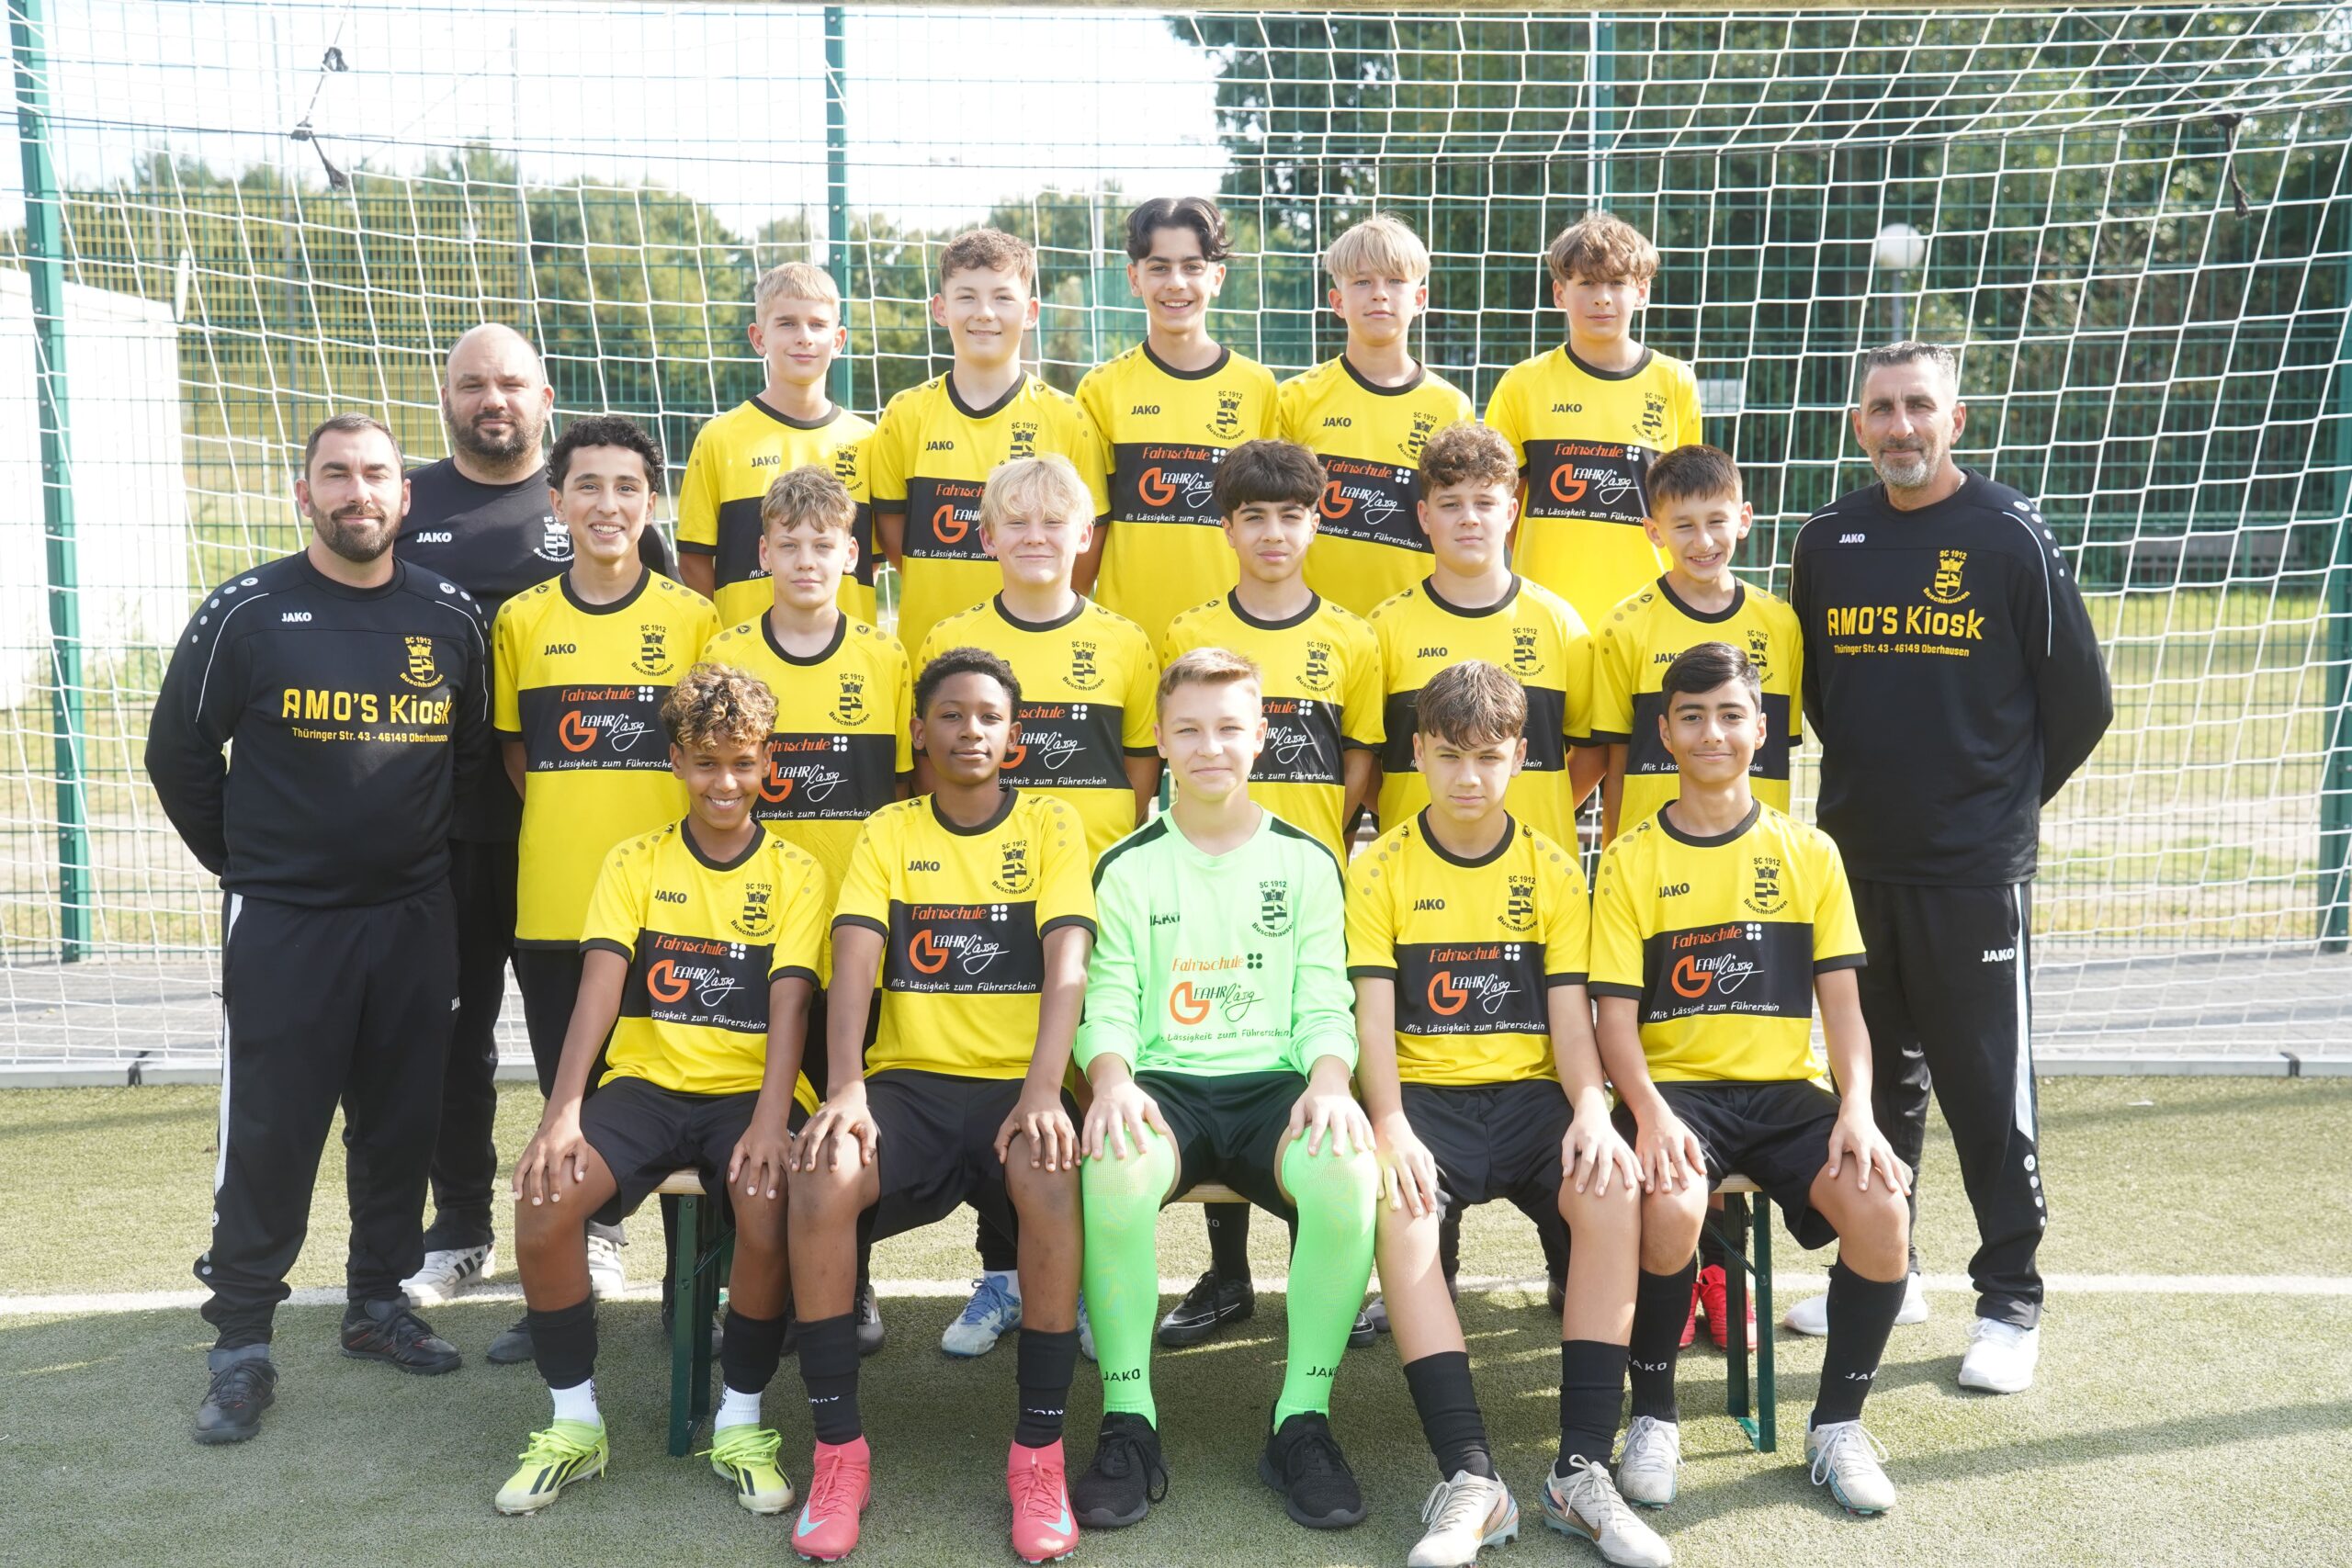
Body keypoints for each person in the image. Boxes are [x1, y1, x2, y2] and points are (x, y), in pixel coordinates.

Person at [146, 413, 491, 1444]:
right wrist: (256, 868)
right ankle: (242, 1342)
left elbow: (469, 764)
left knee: (398, 1124)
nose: (357, 493)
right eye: (335, 475)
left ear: (405, 495)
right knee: (272, 1131)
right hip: (287, 922)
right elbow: (178, 758)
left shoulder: (451, 616)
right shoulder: (246, 613)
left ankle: (377, 1305)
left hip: (413, 920)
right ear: (305, 494)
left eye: (375, 474)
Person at [1782, 342, 2111, 1394]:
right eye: (1880, 410)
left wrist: (1993, 805)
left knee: (1983, 1089)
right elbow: (1824, 700)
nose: (1900, 427)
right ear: (1857, 426)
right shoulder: (1826, 540)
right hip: (1855, 865)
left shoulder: (2008, 533)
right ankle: (1890, 1262)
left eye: (1918, 405)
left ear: (1955, 419)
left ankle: (2010, 1301)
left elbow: (2081, 703)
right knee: (1870, 1086)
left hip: (1974, 872)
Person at [1349, 660, 1668, 1568]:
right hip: (1425, 1102)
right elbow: (1372, 1015)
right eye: (1448, 755)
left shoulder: (1551, 867)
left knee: (1609, 1192)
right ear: (1416, 752)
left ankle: (1579, 1472)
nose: (1467, 777)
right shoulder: (1380, 869)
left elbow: (1572, 1020)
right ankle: (1470, 1482)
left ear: (1519, 756)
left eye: (1488, 757)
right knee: (1402, 1212)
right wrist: (1390, 1123)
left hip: (1533, 1098)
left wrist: (1592, 1112)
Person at [492, 664, 828, 1517]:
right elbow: (598, 991)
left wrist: (766, 1118)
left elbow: (790, 1002)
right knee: (542, 1198)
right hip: (644, 1088)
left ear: (766, 762)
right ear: (676, 761)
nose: (726, 782)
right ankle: (575, 1423)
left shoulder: (796, 871)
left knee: (766, 1194)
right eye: (707, 762)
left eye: (744, 763)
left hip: (749, 1091)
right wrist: (561, 1111)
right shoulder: (634, 860)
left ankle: (742, 1420)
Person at [1590, 641, 1913, 1517]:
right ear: (1664, 732)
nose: (1712, 733)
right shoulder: (1627, 859)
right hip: (1675, 1093)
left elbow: (1843, 1008)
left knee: (1884, 1206)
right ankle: (1651, 1412)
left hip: (1785, 1094)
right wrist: (1649, 1114)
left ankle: (1837, 1424)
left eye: (1731, 714)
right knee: (1672, 1202)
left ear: (1761, 730)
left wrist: (1859, 1111)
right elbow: (1613, 1021)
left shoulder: (1809, 852)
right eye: (1691, 717)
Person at [787, 648, 1094, 1564]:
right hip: (910, 1086)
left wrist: (1045, 1089)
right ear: (918, 732)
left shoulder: (1052, 825)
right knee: (820, 1175)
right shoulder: (888, 830)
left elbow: (1067, 967)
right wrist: (846, 1086)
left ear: (1015, 735)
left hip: (1014, 1083)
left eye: (988, 716)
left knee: (1047, 1173)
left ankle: (1037, 1456)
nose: (969, 730)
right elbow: (851, 969)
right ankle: (837, 1453)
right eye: (950, 715)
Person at [395, 324, 673, 1310]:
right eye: (471, 383)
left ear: (544, 395)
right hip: (446, 829)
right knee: (448, 1029)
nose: (492, 399)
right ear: (447, 395)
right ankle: (461, 1224)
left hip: (578, 829)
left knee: (599, 1035)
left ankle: (603, 1223)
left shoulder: (601, 497)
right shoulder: (407, 502)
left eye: (510, 382)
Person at [1071, 649, 1379, 1536]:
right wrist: (1112, 1080)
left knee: (1348, 1173)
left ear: (1262, 737)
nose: (1211, 747)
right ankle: (1130, 1421)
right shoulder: (1128, 865)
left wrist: (1330, 1079)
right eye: (1190, 730)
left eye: (1230, 728)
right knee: (1114, 1167)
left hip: (1276, 1086)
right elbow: (1112, 1000)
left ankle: (1301, 1422)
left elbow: (1327, 994)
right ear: (1161, 741)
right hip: (1165, 1084)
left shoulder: (1309, 860)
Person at [482, 414, 719, 1358]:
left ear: (649, 503)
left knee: (673, 1092)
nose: (606, 504)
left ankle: (686, 1293)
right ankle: (564, 1293)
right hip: (557, 907)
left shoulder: (692, 621)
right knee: (568, 1102)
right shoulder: (522, 620)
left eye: (626, 487)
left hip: (674, 911)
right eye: (587, 486)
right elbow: (515, 754)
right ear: (556, 503)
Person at [915, 453, 1157, 1354]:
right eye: (1014, 521)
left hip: (1091, 906)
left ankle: (1085, 1282)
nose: (1035, 536)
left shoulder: (1127, 643)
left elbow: (1138, 782)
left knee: (1083, 1089)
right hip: (983, 900)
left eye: (1055, 522)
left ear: (1085, 538)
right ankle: (1004, 1276)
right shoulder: (949, 635)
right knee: (999, 1087)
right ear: (984, 536)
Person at [1156, 437, 1380, 1349]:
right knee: (1220, 1057)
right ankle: (1225, 1273)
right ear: (1227, 527)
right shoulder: (1188, 631)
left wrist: (1318, 846)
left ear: (1316, 521)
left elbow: (1359, 760)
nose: (1273, 532)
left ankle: (1321, 1280)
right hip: (1209, 886)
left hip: (1308, 887)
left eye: (1290, 514)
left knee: (1308, 1063)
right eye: (1253, 516)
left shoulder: (1351, 638)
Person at [1591, 443, 1803, 1354]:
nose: (1703, 538)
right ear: (1652, 532)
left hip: (1758, 890)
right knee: (1662, 1091)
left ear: (1744, 520)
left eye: (1718, 521)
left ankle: (1726, 1284)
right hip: (1654, 885)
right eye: (1683, 525)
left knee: (1737, 1084)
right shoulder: (1625, 626)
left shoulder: (1779, 625)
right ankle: (1661, 1284)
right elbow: (1603, 761)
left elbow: (1784, 748)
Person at [702, 462, 914, 1354]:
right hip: (756, 931)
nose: (804, 560)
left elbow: (905, 793)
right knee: (751, 1109)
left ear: (853, 556)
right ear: (761, 552)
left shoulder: (884, 658)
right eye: (786, 545)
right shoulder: (727, 657)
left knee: (842, 1117)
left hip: (857, 941)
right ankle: (737, 1284)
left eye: (822, 546)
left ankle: (852, 1285)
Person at [869, 228, 1109, 657]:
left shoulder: (1067, 418)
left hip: (1038, 649)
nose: (984, 313)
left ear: (1031, 311)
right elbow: (894, 537)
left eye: (1003, 297)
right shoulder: (905, 415)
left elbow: (1087, 545)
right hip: (932, 647)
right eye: (966, 297)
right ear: (940, 309)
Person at [1370, 422, 1601, 849]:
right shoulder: (1383, 629)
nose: (1469, 518)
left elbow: (1593, 752)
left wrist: (1539, 814)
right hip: (1415, 869)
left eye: (1485, 502)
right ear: (1424, 515)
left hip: (1534, 874)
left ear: (1511, 513)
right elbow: (1363, 762)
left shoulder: (1560, 623)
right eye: (1451, 504)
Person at [1484, 211, 1705, 635]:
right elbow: (1501, 506)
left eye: (1617, 283)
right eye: (1586, 283)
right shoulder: (1522, 384)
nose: (1602, 297)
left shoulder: (1674, 381)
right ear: (1559, 293)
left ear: (1641, 292)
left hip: (1648, 614)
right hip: (1544, 615)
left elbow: (1686, 501)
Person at [1076, 196, 1278, 645]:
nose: (1176, 283)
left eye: (1192, 266)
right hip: (1127, 632)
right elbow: (1088, 526)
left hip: (1231, 631)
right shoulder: (1101, 389)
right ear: (1134, 278)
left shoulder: (1257, 386)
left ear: (1217, 277)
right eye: (1159, 267)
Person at [1274, 214, 1475, 617]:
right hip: (1313, 618)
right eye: (1362, 282)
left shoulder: (1450, 406)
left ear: (1419, 300)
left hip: (1417, 618)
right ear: (1337, 302)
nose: (1379, 294)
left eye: (1395, 281)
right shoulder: (1295, 398)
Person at [676, 262, 878, 626]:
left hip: (845, 660)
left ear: (838, 341)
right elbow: (693, 560)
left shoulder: (869, 440)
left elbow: (870, 560)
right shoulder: (720, 437)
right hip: (745, 667)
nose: (804, 337)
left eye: (817, 324)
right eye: (787, 323)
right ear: (758, 338)